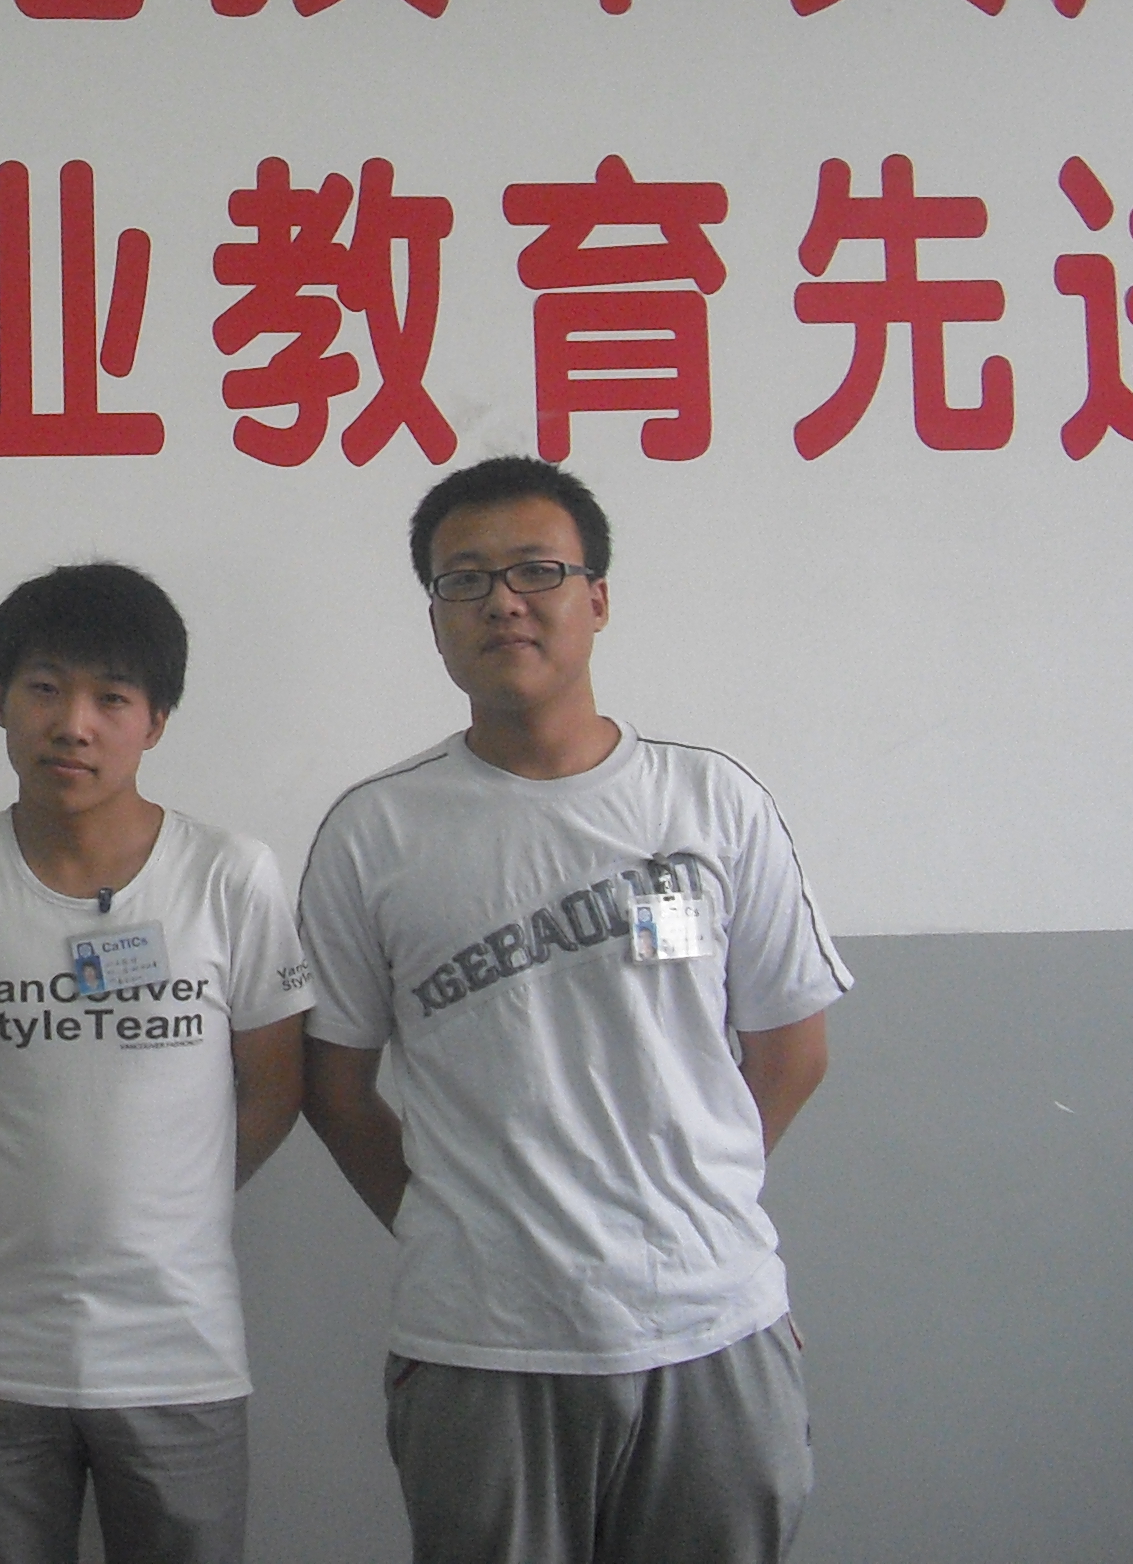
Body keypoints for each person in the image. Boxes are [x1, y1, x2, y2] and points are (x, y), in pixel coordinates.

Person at [296, 455, 851, 1564]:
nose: (503, 601)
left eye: (536, 571)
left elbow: (792, 1048)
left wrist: (692, 1194)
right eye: (465, 580)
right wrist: (453, 1224)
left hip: (713, 1326)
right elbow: (336, 1089)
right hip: (485, 1342)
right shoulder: (376, 833)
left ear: (596, 598)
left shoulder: (711, 803)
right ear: (436, 620)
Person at [0, 563, 313, 1564]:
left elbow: (275, 1088)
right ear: (0, 699)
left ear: (155, 721)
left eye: (111, 699)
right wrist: (11, 1205)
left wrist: (167, 1203)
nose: (72, 725)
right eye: (44, 688)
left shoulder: (230, 876)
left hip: (178, 1351)